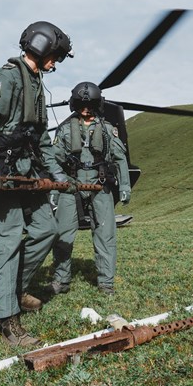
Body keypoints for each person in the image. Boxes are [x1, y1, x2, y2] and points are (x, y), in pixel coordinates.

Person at [0, 21, 74, 347]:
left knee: (46, 228)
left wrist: (56, 173)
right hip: (1, 171)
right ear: (41, 47)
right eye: (54, 55)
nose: (55, 63)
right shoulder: (7, 78)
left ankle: (15, 290)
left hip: (26, 172)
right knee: (7, 241)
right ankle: (8, 323)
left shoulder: (36, 83)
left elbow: (40, 136)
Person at [49, 81, 131, 296]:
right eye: (81, 104)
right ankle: (61, 279)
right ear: (75, 104)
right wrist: (54, 191)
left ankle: (106, 283)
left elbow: (120, 158)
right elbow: (53, 160)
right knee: (63, 235)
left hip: (99, 186)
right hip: (70, 186)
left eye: (90, 104)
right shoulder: (65, 129)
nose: (86, 109)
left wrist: (125, 186)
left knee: (105, 235)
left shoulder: (107, 130)